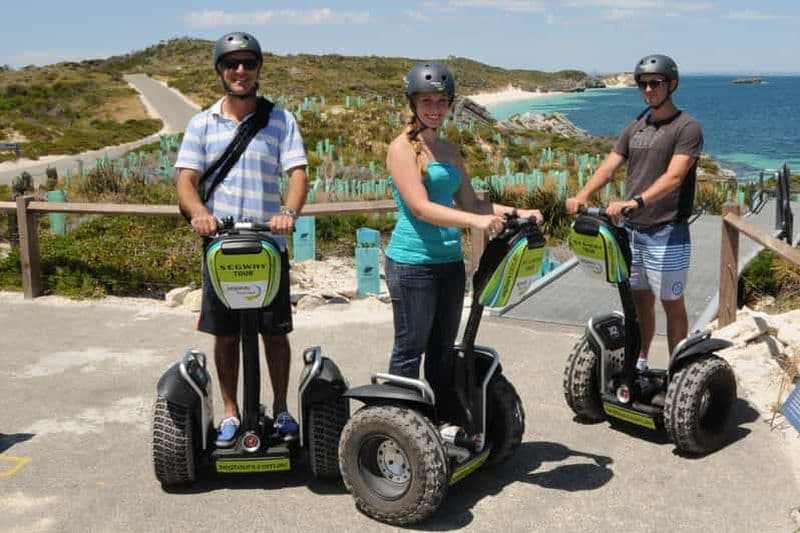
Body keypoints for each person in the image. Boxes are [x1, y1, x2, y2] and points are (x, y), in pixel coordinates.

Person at [175, 32, 308, 446]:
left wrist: (288, 214)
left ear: (258, 69)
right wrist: (200, 214)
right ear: (219, 71)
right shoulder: (201, 123)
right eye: (232, 64)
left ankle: (281, 409)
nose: (240, 71)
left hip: (268, 246)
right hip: (222, 248)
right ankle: (231, 412)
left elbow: (298, 174)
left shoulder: (280, 119)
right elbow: (186, 181)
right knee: (226, 335)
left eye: (248, 64)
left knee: (275, 333)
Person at [385, 62, 542, 405]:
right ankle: (401, 417)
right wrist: (474, 222)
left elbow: (472, 202)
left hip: (450, 263)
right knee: (410, 349)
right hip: (413, 264)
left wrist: (518, 213)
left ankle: (440, 416)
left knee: (442, 349)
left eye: (441, 101)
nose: (434, 108)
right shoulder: (401, 149)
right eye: (426, 101)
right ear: (413, 103)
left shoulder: (449, 150)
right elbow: (421, 208)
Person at [566, 54, 703, 372]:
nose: (649, 90)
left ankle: (678, 371)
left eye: (656, 83)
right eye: (643, 84)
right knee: (639, 304)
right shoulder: (635, 127)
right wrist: (583, 195)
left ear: (672, 85)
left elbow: (675, 177)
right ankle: (639, 363)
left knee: (672, 305)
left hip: (668, 230)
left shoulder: (687, 127)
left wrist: (636, 201)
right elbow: (609, 167)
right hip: (633, 232)